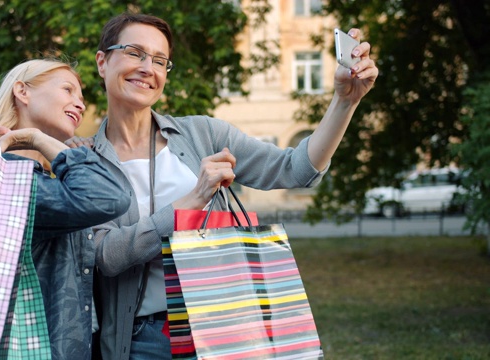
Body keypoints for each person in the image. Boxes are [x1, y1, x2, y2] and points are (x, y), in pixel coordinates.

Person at [66, 12, 379, 360]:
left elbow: (295, 169)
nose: (147, 68)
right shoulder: (84, 160)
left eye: (159, 60)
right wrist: (192, 202)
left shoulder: (205, 134)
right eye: (134, 52)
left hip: (227, 325)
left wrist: (345, 102)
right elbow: (106, 255)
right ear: (102, 62)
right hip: (145, 340)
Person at [0, 58, 130, 360]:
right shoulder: (16, 187)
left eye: (81, 99)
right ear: (22, 91)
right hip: (33, 348)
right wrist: (36, 139)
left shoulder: (32, 181)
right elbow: (112, 196)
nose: (79, 104)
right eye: (68, 90)